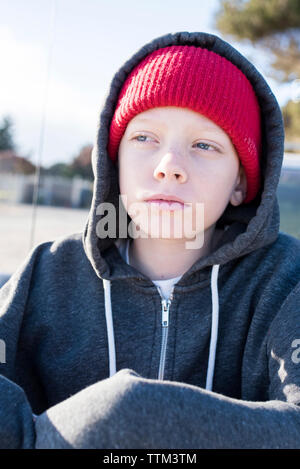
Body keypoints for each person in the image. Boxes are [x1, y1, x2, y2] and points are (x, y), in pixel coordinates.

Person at [1, 30, 300, 450]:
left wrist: (142, 414)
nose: (169, 166)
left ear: (240, 183)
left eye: (204, 144)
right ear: (114, 160)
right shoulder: (47, 274)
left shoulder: (286, 282)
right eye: (144, 138)